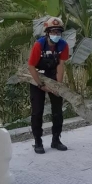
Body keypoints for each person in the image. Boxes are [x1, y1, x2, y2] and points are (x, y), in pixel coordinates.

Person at [27, 17, 70, 154]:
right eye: (53, 32)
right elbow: (31, 66)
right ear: (47, 32)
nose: (56, 35)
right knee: (37, 111)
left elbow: (60, 65)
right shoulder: (39, 45)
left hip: (53, 76)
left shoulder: (63, 45)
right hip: (37, 77)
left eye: (58, 32)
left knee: (57, 111)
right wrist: (40, 85)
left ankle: (56, 140)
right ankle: (38, 141)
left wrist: (58, 85)